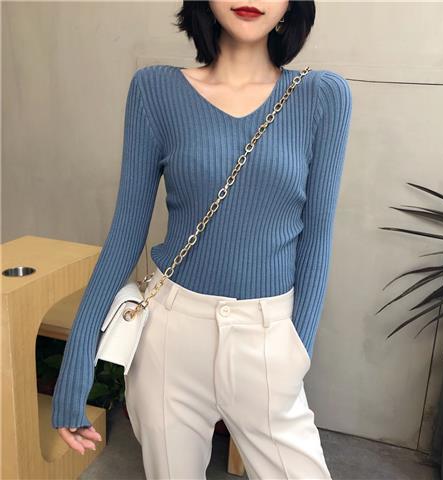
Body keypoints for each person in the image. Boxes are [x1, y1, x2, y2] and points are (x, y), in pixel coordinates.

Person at [52, 1, 352, 478]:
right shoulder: (155, 90)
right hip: (170, 334)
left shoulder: (321, 95)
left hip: (266, 339)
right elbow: (126, 233)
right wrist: (77, 361)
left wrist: (296, 352)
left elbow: (317, 237)